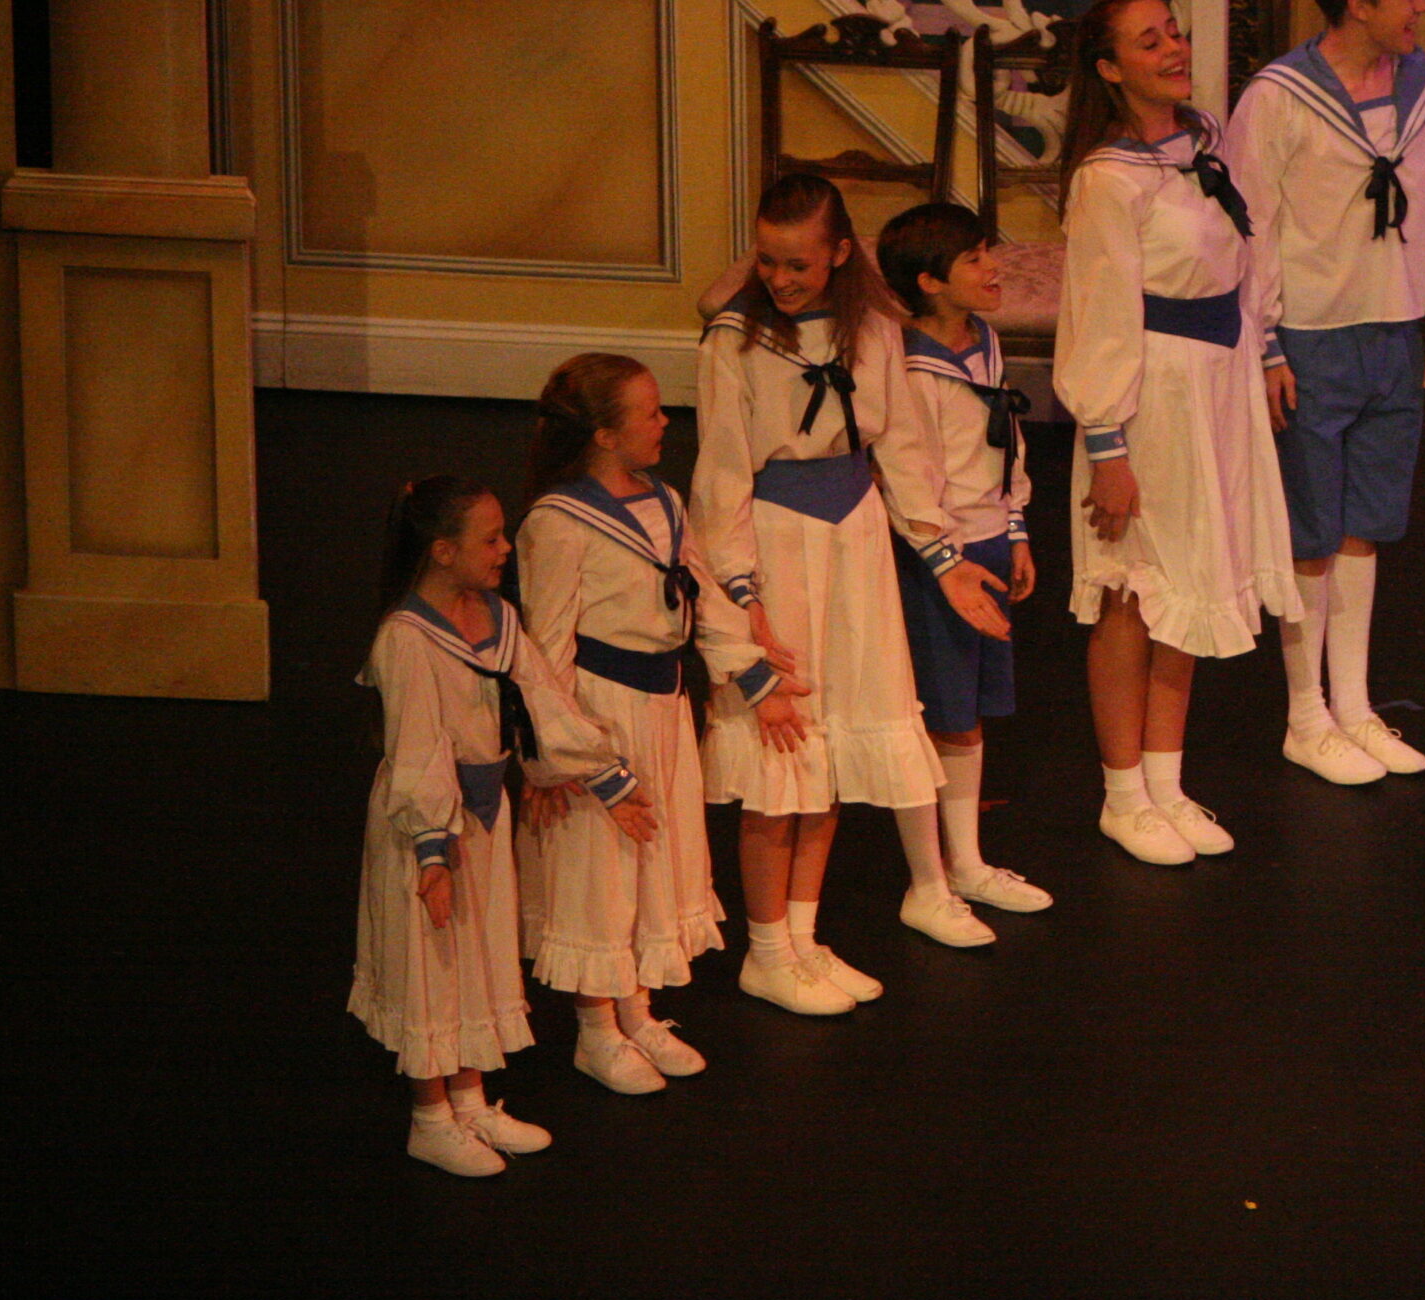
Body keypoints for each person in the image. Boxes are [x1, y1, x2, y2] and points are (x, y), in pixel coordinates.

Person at [694, 174, 1012, 1011]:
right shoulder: (734, 339)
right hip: (778, 544)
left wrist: (942, 557)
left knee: (830, 748)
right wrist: (741, 595)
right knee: (783, 750)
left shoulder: (872, 329)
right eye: (767, 260)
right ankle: (766, 949)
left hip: (856, 541)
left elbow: (901, 449)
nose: (780, 278)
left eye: (797, 263)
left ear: (839, 254)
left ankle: (802, 938)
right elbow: (720, 475)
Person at [1227, 0, 1425, 785]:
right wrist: (1266, 345)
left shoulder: (1418, 84)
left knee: (1367, 523)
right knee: (1312, 527)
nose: (1423, 7)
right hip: (1311, 337)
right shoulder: (1278, 98)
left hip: (1394, 330)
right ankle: (1305, 714)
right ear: (1358, 4)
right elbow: (1251, 226)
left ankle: (1355, 703)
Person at [1053, 0, 1299, 866]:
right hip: (1150, 395)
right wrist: (1108, 449)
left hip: (1216, 388)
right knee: (1133, 588)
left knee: (1189, 583)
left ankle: (1166, 779)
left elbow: (1246, 254)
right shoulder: (1106, 179)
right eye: (1149, 42)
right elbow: (1098, 316)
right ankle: (1123, 792)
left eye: (1174, 33)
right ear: (1110, 69)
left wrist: (1266, 348)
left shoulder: (1203, 141)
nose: (1173, 49)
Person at [515, 354, 806, 1092]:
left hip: (664, 711)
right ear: (605, 435)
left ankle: (637, 1010)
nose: (664, 422)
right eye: (648, 412)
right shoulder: (557, 523)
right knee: (599, 871)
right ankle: (595, 1030)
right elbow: (543, 653)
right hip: (599, 714)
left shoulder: (666, 502)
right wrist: (557, 759)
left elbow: (702, 599)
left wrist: (756, 679)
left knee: (654, 864)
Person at [350, 475, 647, 1176]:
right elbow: (419, 749)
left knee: (478, 954)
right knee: (431, 961)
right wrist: (431, 852)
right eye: (489, 539)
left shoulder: (498, 618)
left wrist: (607, 780)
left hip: (484, 817)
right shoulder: (407, 637)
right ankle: (431, 1118)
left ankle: (471, 1098)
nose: (505, 549)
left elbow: (543, 705)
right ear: (443, 550)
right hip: (429, 823)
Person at [873, 202, 1053, 922]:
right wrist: (944, 559)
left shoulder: (983, 339)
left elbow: (1003, 440)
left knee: (969, 714)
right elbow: (906, 476)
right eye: (974, 259)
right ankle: (928, 882)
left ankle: (968, 864)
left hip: (986, 541)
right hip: (937, 561)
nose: (993, 267)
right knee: (933, 713)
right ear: (929, 282)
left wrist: (1014, 527)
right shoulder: (910, 366)